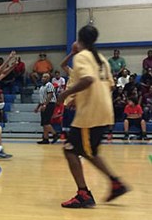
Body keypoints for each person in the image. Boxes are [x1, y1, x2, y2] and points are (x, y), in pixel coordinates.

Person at [57, 25, 129, 208]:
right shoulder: (102, 60)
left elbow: (88, 80)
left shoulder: (82, 56)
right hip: (104, 111)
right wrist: (82, 97)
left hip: (90, 114)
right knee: (89, 152)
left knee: (70, 149)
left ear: (78, 40)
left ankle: (83, 194)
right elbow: (109, 85)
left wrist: (66, 95)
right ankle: (116, 183)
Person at [35, 73, 60, 144]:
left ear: (48, 78)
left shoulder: (49, 85)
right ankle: (45, 139)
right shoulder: (42, 87)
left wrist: (45, 105)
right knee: (44, 123)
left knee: (46, 122)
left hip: (50, 104)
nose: (43, 78)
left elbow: (50, 95)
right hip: (44, 104)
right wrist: (37, 107)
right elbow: (41, 99)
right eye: (43, 77)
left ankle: (55, 134)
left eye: (45, 77)